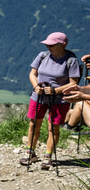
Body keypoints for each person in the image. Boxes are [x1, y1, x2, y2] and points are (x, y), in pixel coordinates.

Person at [20, 33, 80, 170]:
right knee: (33, 124)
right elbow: (33, 73)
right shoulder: (42, 56)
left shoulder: (71, 60)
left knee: (53, 127)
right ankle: (30, 153)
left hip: (59, 100)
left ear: (62, 44)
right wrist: (36, 86)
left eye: (51, 44)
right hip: (39, 96)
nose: (48, 46)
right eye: (47, 44)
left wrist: (55, 91)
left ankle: (48, 156)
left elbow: (73, 83)